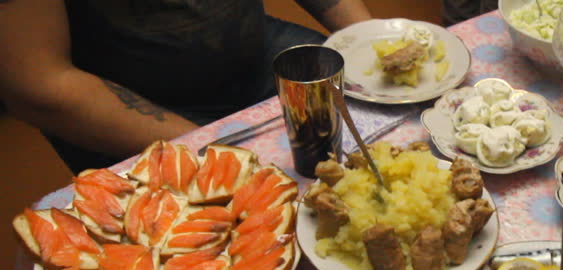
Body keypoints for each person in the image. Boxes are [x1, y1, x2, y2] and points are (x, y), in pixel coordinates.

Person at [0, 0, 371, 174]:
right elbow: (39, 87)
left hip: (256, 48)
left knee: (388, 122)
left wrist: (372, 40)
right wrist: (214, 151)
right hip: (131, 99)